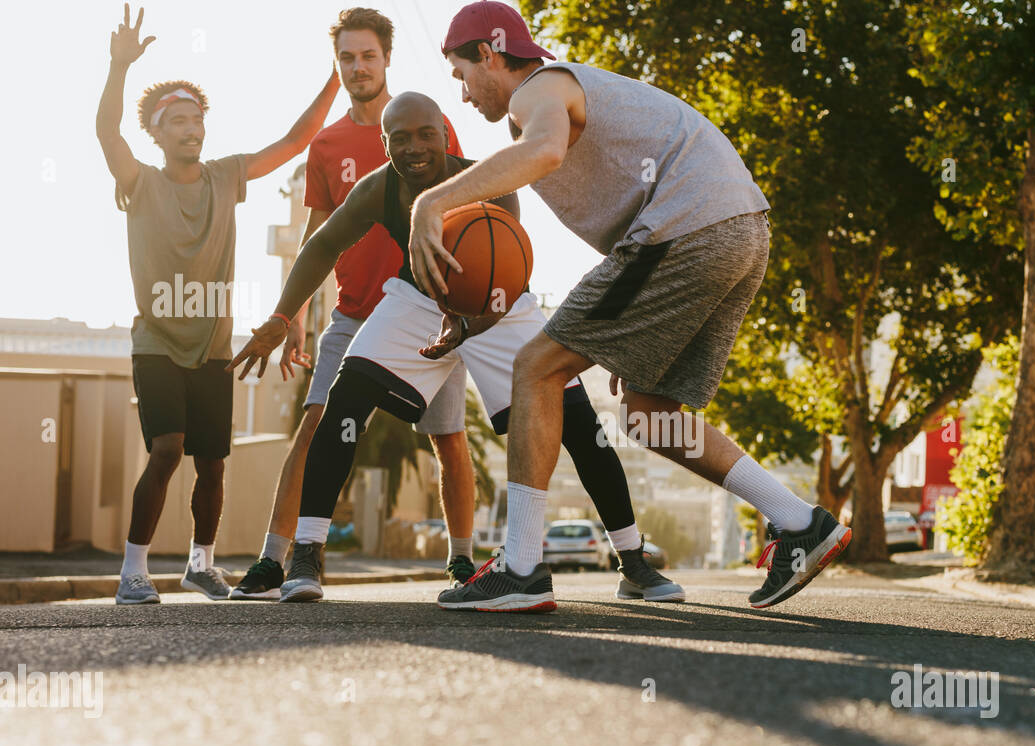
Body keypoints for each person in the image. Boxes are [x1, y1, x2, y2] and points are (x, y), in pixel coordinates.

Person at [409, 1, 851, 612]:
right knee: (648, 413)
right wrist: (627, 332)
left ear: (489, 52)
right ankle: (800, 522)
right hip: (739, 232)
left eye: (462, 74)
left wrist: (429, 204)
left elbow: (543, 152)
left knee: (534, 367)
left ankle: (521, 567)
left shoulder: (539, 89)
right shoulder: (559, 97)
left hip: (684, 230)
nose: (462, 94)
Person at [227, 92, 684, 608]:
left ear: (446, 135)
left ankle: (633, 560)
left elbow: (507, 272)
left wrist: (469, 323)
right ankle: (307, 553)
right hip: (417, 297)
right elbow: (321, 246)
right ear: (385, 145)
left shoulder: (490, 180)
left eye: (426, 134)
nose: (415, 147)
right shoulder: (379, 190)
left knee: (578, 420)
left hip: (497, 301)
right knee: (345, 398)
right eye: (399, 138)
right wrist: (279, 317)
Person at [227, 7, 479, 600]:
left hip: (428, 311)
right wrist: (292, 318)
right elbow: (319, 237)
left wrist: (463, 306)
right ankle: (279, 560)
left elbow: (464, 209)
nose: (358, 66)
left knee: (448, 438)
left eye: (368, 55)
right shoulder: (328, 144)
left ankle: (463, 561)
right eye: (346, 57)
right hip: (352, 312)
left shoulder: (425, 125)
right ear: (336, 64)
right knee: (315, 427)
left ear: (387, 57)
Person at [96, 4, 341, 604]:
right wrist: (118, 67)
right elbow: (107, 132)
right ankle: (134, 569)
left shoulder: (226, 176)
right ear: (157, 131)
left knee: (212, 463)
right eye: (178, 120)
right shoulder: (140, 183)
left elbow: (295, 141)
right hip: (157, 343)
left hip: (211, 349)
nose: (191, 128)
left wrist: (337, 75)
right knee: (167, 450)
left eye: (197, 118)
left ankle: (200, 565)